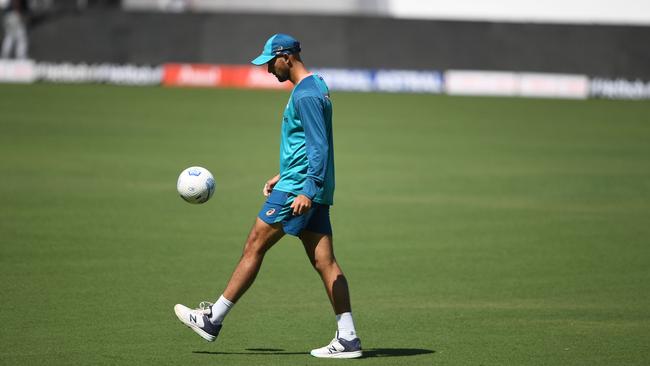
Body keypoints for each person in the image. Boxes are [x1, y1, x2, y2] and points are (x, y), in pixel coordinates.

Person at [173, 33, 362, 359]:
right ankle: (348, 338)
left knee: (254, 246)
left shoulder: (305, 95)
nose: (267, 69)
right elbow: (307, 144)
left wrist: (305, 187)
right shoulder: (315, 86)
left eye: (270, 62)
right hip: (301, 184)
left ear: (286, 57)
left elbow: (319, 146)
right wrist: (284, 172)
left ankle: (212, 319)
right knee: (325, 262)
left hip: (299, 191)